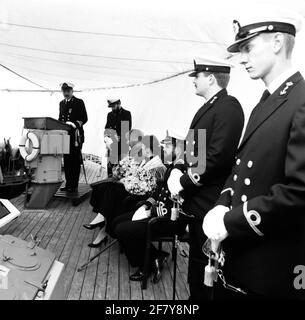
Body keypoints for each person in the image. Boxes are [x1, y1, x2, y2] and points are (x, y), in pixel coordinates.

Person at [202, 13, 305, 300]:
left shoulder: (301, 102)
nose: (242, 58)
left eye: (248, 48)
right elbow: (240, 169)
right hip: (241, 255)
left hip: (270, 265)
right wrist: (222, 205)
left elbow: (299, 193)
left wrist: (231, 221)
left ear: (276, 43)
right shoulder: (264, 102)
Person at [167, 59, 244, 300]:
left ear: (211, 78)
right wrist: (179, 168)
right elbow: (195, 153)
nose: (194, 79)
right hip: (197, 200)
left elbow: (217, 157)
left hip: (209, 200)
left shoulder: (228, 107)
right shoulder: (209, 108)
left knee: (207, 261)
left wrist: (185, 182)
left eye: (197, 75)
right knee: (198, 259)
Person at [113, 130, 187, 283]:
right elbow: (160, 192)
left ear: (178, 148)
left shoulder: (181, 170)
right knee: (116, 222)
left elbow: (178, 204)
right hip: (158, 212)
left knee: (122, 229)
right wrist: (147, 204)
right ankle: (156, 256)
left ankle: (146, 263)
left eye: (167, 146)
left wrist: (151, 211)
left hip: (167, 220)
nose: (164, 150)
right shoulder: (172, 166)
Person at [83, 134, 163, 248]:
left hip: (142, 198)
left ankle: (102, 223)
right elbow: (133, 176)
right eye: (143, 147)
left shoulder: (156, 165)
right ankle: (102, 222)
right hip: (133, 191)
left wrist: (126, 182)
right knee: (106, 189)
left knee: (113, 190)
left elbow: (146, 187)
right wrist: (126, 177)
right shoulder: (144, 160)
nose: (144, 150)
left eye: (147, 147)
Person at [59, 82, 88, 192]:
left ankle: (74, 185)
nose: (66, 93)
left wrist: (74, 124)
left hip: (76, 136)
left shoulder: (79, 102)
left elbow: (84, 118)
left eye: (68, 91)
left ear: (72, 91)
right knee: (67, 161)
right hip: (65, 136)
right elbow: (60, 118)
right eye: (64, 91)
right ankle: (68, 183)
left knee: (74, 161)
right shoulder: (61, 103)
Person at [104, 98, 132, 175]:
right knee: (111, 167)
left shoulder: (126, 114)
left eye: (113, 106)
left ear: (119, 104)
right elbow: (107, 128)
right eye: (111, 107)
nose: (112, 108)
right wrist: (108, 137)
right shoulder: (109, 115)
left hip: (122, 145)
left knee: (122, 168)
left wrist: (117, 136)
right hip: (112, 145)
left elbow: (126, 129)